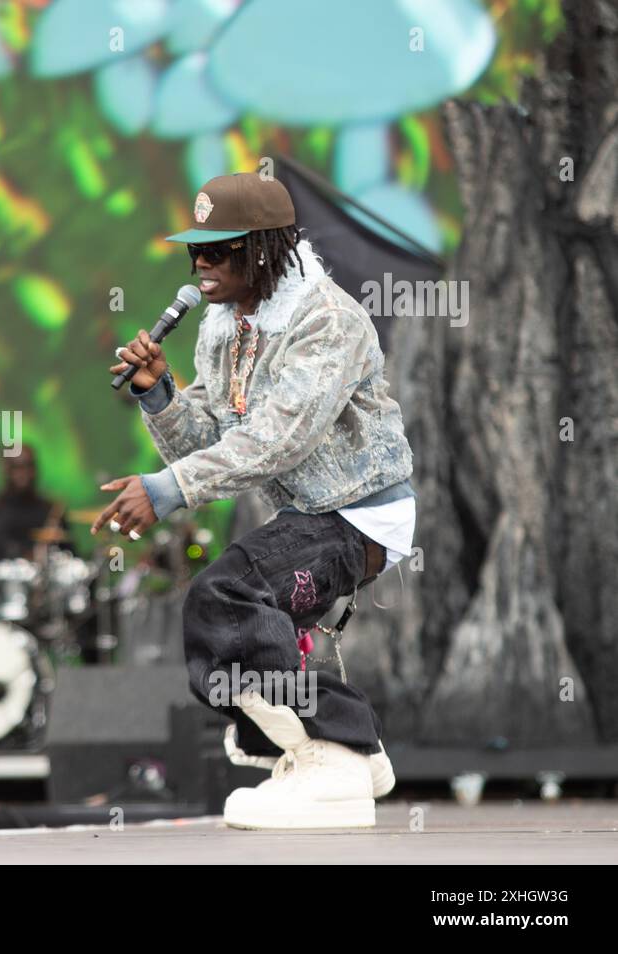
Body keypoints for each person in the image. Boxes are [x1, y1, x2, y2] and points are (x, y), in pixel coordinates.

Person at [93, 172, 416, 829]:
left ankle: (341, 744)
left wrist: (166, 492)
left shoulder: (324, 321)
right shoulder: (226, 325)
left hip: (358, 513)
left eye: (217, 251)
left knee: (228, 599)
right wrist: (160, 394)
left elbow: (278, 442)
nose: (201, 266)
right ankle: (326, 753)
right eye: (195, 253)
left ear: (263, 250)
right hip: (309, 514)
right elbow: (211, 438)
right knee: (223, 619)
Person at [0, 444, 72, 566]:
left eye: (29, 466)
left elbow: (70, 556)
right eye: (17, 467)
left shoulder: (51, 512)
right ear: (6, 469)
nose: (24, 474)